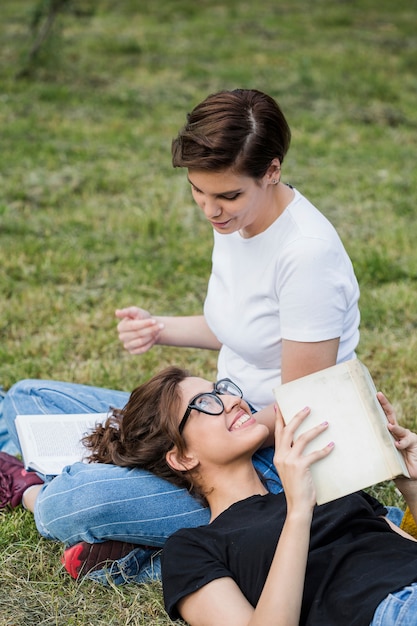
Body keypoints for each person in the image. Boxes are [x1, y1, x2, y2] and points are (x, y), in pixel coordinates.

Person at [1, 88, 364, 576]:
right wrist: (160, 330)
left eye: (227, 195)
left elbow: (303, 405)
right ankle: (141, 510)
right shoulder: (238, 221)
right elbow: (243, 329)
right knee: (30, 396)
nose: (211, 210)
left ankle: (38, 488)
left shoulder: (306, 255)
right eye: (199, 190)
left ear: (272, 171)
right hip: (212, 420)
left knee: (73, 501)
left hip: (269, 464)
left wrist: (194, 445)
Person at [86, 366, 417, 624]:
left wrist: (409, 481)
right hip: (391, 608)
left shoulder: (327, 483)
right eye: (206, 403)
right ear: (183, 456)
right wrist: (298, 509)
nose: (233, 401)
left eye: (222, 391)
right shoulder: (192, 548)